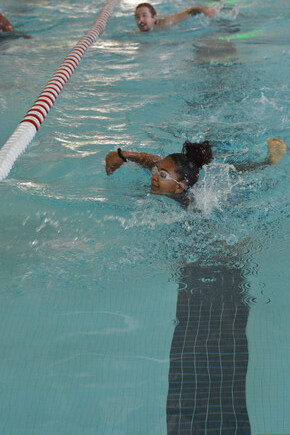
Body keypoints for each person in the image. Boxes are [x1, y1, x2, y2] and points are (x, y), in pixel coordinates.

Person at [105, 138, 287, 205]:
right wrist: (123, 155)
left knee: (234, 173)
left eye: (162, 175)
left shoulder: (192, 205)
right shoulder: (172, 178)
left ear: (179, 187)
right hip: (192, 175)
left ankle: (268, 162)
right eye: (157, 171)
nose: (154, 176)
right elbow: (153, 160)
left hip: (217, 186)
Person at [135, 2, 216, 32]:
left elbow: (188, 13)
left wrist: (202, 9)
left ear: (154, 17)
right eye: (137, 17)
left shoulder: (166, 22)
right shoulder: (136, 33)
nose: (140, 20)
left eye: (144, 16)